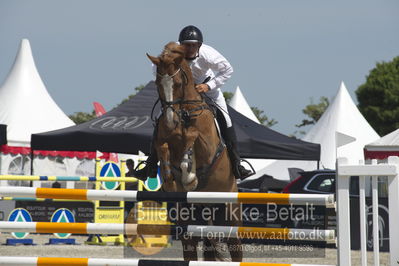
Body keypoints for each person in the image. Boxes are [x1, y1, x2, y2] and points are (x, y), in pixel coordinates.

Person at [136, 25, 253, 180]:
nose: (190, 48)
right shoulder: (173, 55)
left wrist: (208, 86)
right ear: (180, 44)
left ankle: (237, 163)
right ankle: (150, 165)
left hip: (207, 89)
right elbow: (156, 68)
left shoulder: (208, 54)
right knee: (160, 119)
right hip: (182, 93)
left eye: (193, 45)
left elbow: (228, 70)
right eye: (186, 45)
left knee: (226, 119)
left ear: (199, 45)